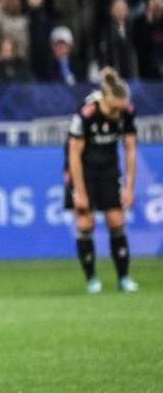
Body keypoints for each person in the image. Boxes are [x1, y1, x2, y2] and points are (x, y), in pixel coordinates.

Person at [65, 68, 139, 294]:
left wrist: (129, 187)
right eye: (115, 108)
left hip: (108, 168)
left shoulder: (126, 111)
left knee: (116, 221)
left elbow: (130, 149)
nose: (119, 113)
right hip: (83, 169)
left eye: (122, 108)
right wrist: (80, 191)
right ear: (106, 99)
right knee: (85, 223)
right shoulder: (86, 113)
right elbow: (74, 153)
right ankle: (92, 280)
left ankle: (124, 278)